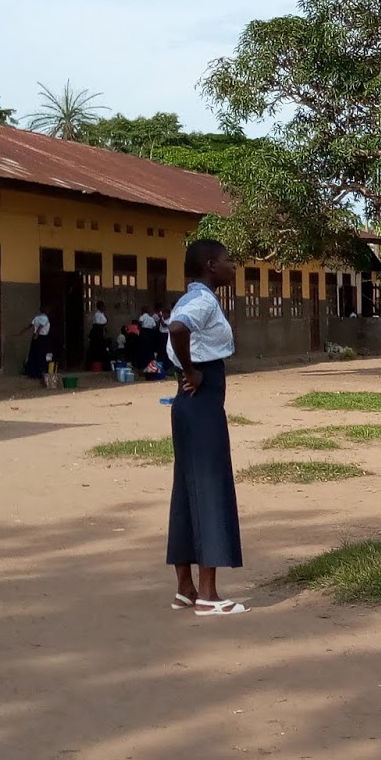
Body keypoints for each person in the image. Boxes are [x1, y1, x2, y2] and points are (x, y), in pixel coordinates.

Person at [166, 239, 246, 617]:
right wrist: (191, 370)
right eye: (229, 261)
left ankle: (185, 586)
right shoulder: (202, 302)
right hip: (201, 397)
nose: (234, 266)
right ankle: (209, 595)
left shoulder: (190, 297)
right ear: (212, 265)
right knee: (211, 487)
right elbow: (178, 329)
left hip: (187, 404)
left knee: (188, 490)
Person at [23, 310, 52, 380]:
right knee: (41, 355)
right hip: (41, 337)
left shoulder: (37, 317)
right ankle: (41, 372)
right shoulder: (45, 318)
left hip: (36, 338)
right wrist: (37, 333)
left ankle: (32, 373)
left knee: (34, 354)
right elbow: (40, 326)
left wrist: (24, 330)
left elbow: (31, 325)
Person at [87, 301, 111, 369]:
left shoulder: (101, 313)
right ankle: (96, 365)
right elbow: (98, 324)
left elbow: (105, 321)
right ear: (100, 307)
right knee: (97, 347)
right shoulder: (97, 314)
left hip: (99, 331)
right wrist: (103, 327)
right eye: (103, 306)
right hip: (96, 333)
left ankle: (101, 364)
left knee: (101, 348)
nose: (104, 308)